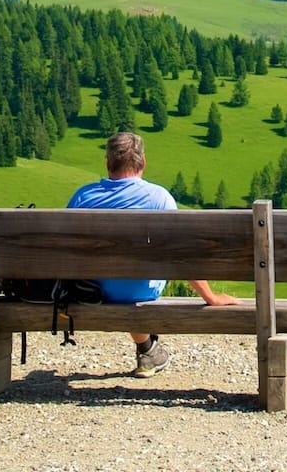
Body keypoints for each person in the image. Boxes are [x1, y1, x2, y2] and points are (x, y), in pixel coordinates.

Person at [67, 132, 239, 378]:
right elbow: (181, 257)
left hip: (90, 291)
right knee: (135, 280)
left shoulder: (83, 196)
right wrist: (210, 297)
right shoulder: (159, 199)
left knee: (119, 277)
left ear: (107, 163)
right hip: (139, 291)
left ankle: (147, 349)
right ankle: (148, 350)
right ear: (143, 162)